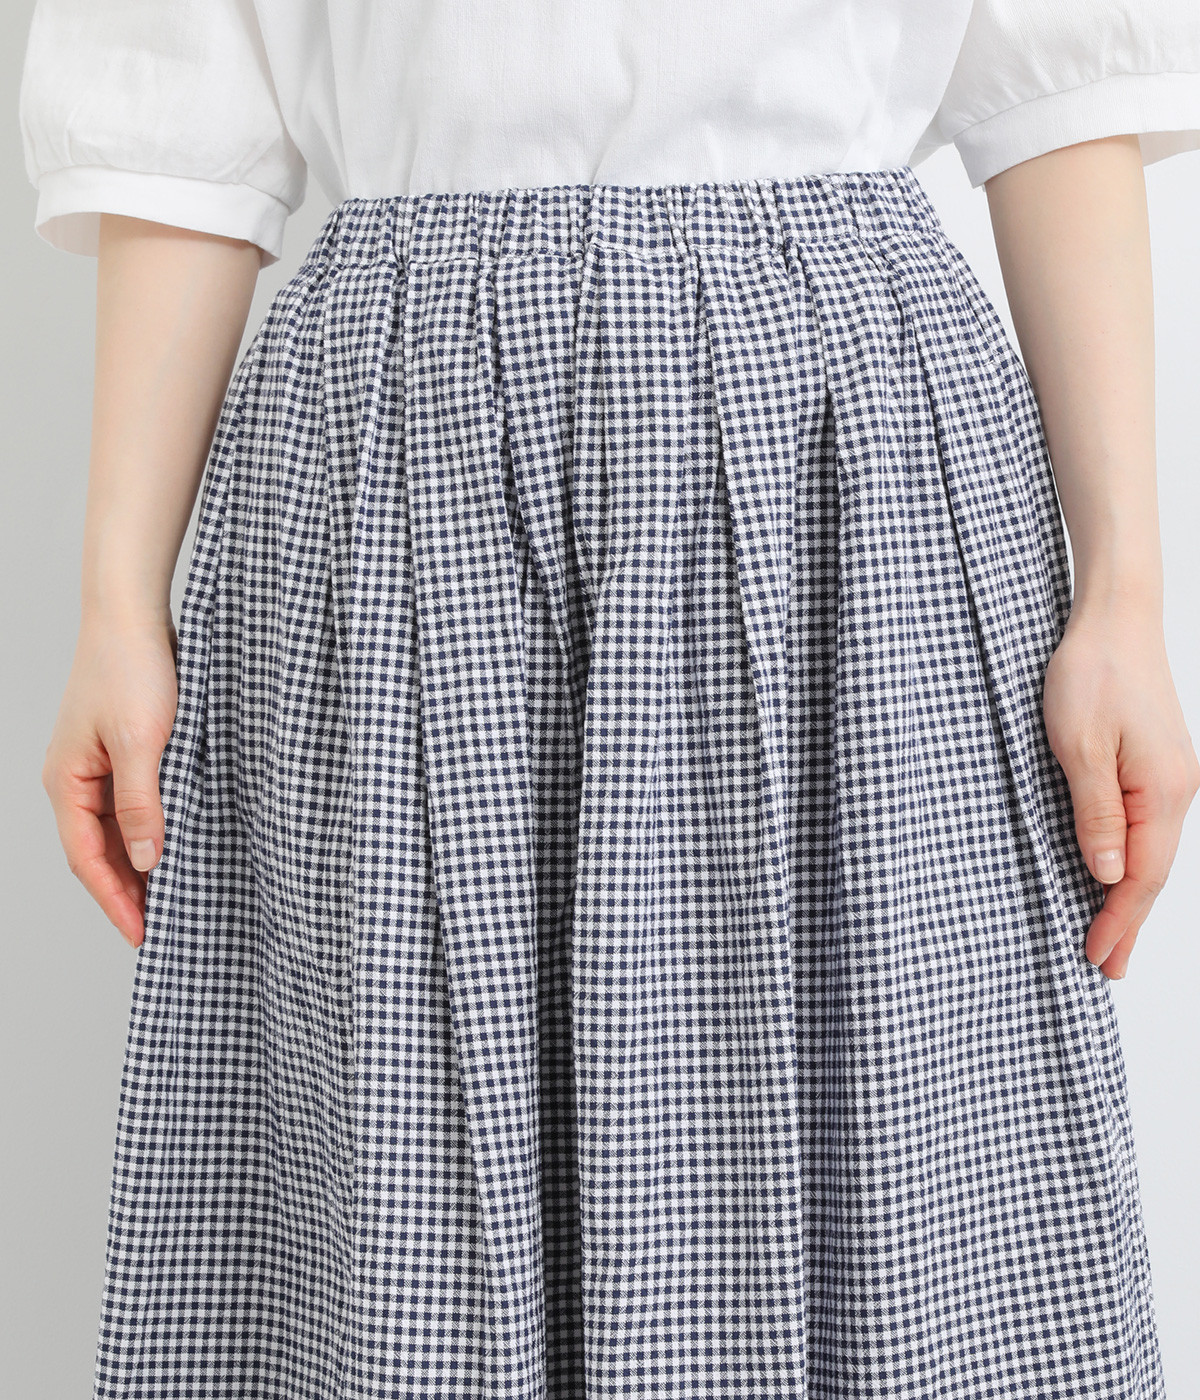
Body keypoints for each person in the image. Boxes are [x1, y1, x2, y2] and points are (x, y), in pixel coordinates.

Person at [17, 1, 1200, 1396]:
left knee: (894, 1147)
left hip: (836, 462)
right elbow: (183, 115)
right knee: (404, 1166)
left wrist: (1125, 594)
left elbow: (1058, 93)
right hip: (404, 454)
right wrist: (115, 605)